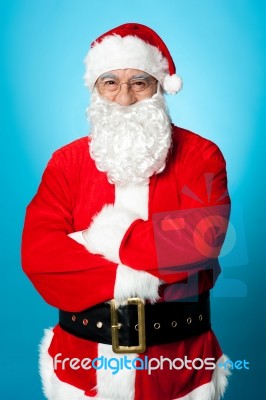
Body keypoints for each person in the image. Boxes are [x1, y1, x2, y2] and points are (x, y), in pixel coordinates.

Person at [22, 23, 231, 400]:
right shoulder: (65, 163)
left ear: (159, 87)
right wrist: (151, 264)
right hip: (81, 363)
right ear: (95, 90)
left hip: (177, 364)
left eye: (139, 82)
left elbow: (201, 243)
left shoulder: (202, 156)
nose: (124, 98)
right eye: (110, 83)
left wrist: (104, 237)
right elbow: (40, 255)